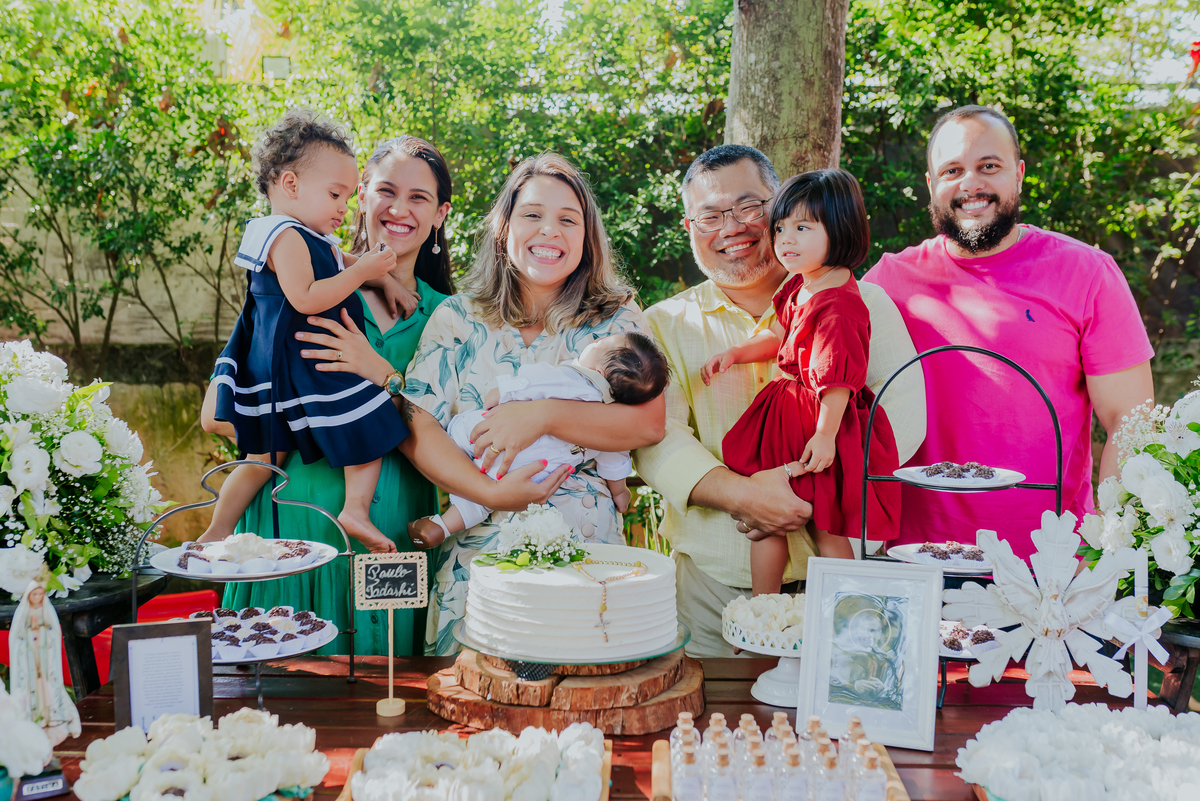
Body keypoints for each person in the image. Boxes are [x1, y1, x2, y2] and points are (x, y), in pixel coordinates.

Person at [205, 136, 566, 656]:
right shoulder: (300, 287)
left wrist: (380, 379)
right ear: (361, 199)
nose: (399, 209)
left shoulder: (461, 316)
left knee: (396, 702)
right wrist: (316, 403)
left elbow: (475, 429)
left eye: (419, 198)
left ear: (441, 214)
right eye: (385, 191)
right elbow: (217, 414)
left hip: (399, 532)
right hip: (297, 527)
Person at [304, 152, 666, 655]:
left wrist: (541, 414)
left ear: (588, 237)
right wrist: (488, 495)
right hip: (478, 560)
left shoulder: (616, 319)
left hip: (587, 559)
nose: (550, 232)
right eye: (532, 215)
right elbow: (416, 423)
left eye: (568, 220)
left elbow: (648, 424)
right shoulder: (458, 317)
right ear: (504, 226)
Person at [633, 144, 927, 657]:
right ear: (689, 227)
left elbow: (903, 411)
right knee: (718, 728)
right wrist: (745, 496)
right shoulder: (663, 323)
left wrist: (801, 480)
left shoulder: (861, 300)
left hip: (841, 573)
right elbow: (658, 438)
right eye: (711, 215)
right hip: (714, 587)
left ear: (782, 205)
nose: (733, 227)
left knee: (841, 728)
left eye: (751, 207)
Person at [863, 105, 1154, 559]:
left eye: (989, 166)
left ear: (1018, 174)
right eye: (952, 170)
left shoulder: (1086, 272)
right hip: (912, 557)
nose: (970, 184)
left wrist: (1106, 548)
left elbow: (1130, 422)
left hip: (1049, 560)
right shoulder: (887, 282)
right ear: (930, 185)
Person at [205, 109, 411, 555]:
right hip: (311, 360)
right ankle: (354, 508)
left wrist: (386, 279)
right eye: (336, 194)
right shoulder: (283, 235)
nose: (344, 208)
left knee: (263, 460)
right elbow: (306, 297)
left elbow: (347, 263)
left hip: (296, 362)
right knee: (370, 418)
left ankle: (217, 528)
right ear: (291, 184)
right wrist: (366, 273)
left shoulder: (310, 235)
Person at [702, 170, 901, 595]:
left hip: (816, 421)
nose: (785, 240)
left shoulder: (840, 304)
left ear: (840, 228)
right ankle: (763, 605)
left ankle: (852, 604)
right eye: (780, 228)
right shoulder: (802, 286)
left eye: (802, 228)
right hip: (785, 415)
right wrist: (736, 353)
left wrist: (826, 435)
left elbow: (838, 380)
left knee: (827, 527)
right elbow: (782, 335)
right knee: (765, 515)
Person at [408, 331, 670, 549]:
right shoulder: (612, 422)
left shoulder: (569, 377)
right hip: (532, 472)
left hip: (486, 435)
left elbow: (529, 382)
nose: (595, 340)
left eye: (599, 343)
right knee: (482, 499)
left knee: (466, 449)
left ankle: (441, 520)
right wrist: (620, 491)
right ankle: (442, 526)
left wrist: (499, 392)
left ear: (599, 370)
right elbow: (615, 458)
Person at [9, 575, 81, 746]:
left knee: (46, 688)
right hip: (29, 658)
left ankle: (51, 720)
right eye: (35, 594)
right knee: (32, 688)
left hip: (44, 655)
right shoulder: (24, 614)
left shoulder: (46, 611)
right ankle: (32, 721)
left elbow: (53, 632)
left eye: (40, 594)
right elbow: (17, 638)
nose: (38, 598)